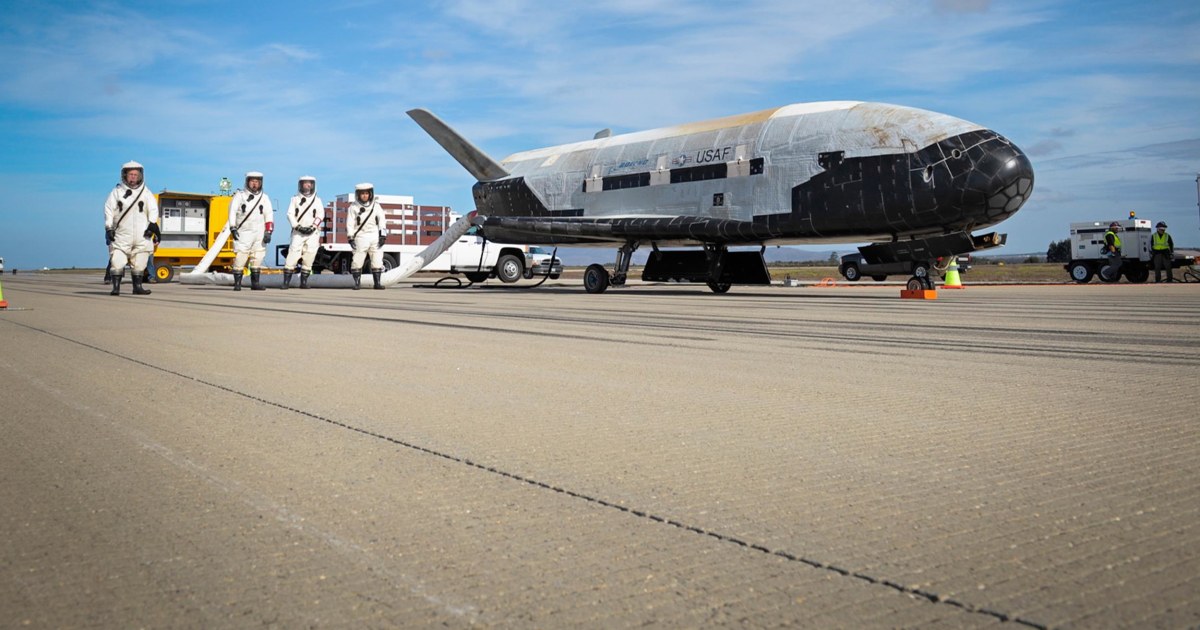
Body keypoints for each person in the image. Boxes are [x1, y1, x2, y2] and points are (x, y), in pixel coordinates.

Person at [103, 161, 160, 296]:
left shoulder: (146, 192)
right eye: (130, 174)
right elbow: (109, 210)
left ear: (140, 175)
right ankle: (116, 287)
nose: (133, 177)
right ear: (124, 175)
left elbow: (153, 209)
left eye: (136, 174)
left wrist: (152, 224)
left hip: (142, 233)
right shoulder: (116, 192)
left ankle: (137, 287)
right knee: (117, 259)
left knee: (141, 260)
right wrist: (109, 227)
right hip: (122, 233)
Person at [227, 171, 274, 291]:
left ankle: (255, 284)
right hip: (244, 231)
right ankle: (237, 284)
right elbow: (232, 211)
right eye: (252, 181)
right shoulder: (239, 196)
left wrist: (268, 231)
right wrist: (232, 227)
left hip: (260, 231)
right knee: (241, 256)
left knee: (258, 256)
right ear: (247, 182)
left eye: (257, 182)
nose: (255, 184)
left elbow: (269, 214)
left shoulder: (264, 197)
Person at [281, 176, 324, 289]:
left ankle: (303, 282)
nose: (307, 185)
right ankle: (286, 282)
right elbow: (289, 214)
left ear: (313, 185)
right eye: (305, 183)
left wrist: (313, 227)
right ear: (301, 185)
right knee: (292, 255)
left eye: (309, 183)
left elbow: (321, 215)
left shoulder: (317, 200)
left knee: (309, 255)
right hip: (298, 232)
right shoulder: (294, 199)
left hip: (312, 233)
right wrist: (297, 226)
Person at [346, 182, 388, 290]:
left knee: (377, 259)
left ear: (370, 194)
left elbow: (382, 221)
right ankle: (357, 283)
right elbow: (350, 223)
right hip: (361, 236)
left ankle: (377, 283)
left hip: (374, 235)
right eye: (362, 193)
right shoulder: (353, 207)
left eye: (367, 193)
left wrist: (382, 236)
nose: (365, 196)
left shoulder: (376, 206)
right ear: (358, 194)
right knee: (357, 260)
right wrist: (350, 237)